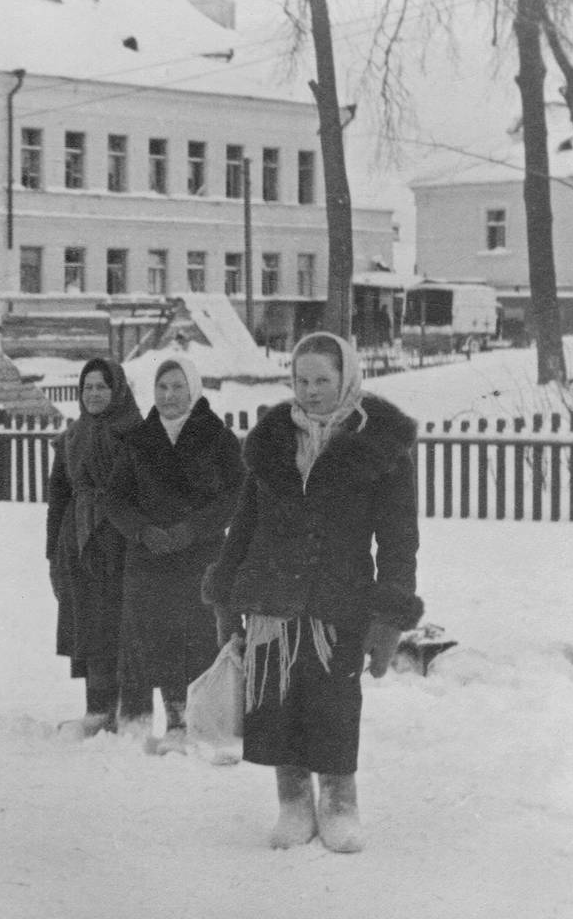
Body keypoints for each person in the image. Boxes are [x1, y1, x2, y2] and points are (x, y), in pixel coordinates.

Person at [202, 332, 422, 853]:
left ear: (346, 377)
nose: (311, 391)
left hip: (338, 599)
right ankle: (293, 802)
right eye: (301, 380)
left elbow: (398, 539)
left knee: (334, 703)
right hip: (271, 598)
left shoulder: (380, 444)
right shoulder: (274, 438)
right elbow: (246, 523)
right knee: (276, 704)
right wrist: (226, 597)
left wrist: (389, 615)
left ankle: (340, 804)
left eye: (323, 380)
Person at [103, 356, 243, 754]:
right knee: (154, 636)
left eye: (178, 387)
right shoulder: (139, 440)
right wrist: (142, 530)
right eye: (162, 388)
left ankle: (198, 720)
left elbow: (237, 494)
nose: (169, 396)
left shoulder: (218, 437)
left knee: (199, 635)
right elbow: (114, 497)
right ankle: (160, 720)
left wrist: (192, 529)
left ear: (194, 389)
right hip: (150, 557)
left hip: (201, 555)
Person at [43, 357, 149, 738]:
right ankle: (98, 709)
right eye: (87, 387)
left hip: (123, 538)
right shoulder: (73, 436)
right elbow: (58, 497)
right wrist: (53, 552)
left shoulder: (137, 432)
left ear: (117, 389)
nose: (94, 394)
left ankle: (134, 714)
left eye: (102, 387)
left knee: (125, 623)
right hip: (80, 539)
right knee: (89, 622)